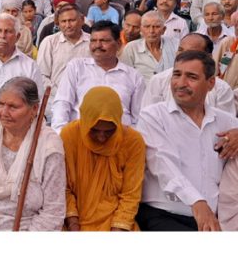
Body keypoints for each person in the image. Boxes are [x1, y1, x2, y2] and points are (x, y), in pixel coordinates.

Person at [135, 51, 237, 231]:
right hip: (163, 214)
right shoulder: (153, 116)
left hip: (216, 219)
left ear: (211, 83)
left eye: (191, 77)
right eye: (177, 74)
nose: (181, 84)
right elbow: (163, 164)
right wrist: (197, 202)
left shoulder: (226, 121)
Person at [0, 77, 66, 231]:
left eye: (13, 107)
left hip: (27, 227)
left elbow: (53, 211)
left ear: (34, 109)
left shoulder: (49, 146)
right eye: (1, 104)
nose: (4, 113)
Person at [61, 87, 145, 231]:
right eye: (94, 130)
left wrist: (117, 229)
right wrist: (74, 225)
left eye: (109, 131)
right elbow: (63, 188)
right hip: (74, 221)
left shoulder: (133, 141)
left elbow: (131, 194)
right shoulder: (69, 135)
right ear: (85, 120)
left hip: (116, 221)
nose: (101, 137)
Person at [52, 21, 146, 133]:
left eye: (104, 41)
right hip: (80, 137)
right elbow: (62, 103)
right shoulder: (77, 67)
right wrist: (61, 134)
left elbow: (139, 118)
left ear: (119, 44)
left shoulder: (134, 77)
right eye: (93, 41)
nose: (97, 45)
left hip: (120, 140)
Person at [142, 33, 236, 116]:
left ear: (208, 57)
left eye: (191, 52)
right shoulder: (158, 81)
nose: (183, 55)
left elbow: (226, 128)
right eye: (180, 50)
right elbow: (148, 118)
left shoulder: (221, 89)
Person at [36, 4, 90, 118]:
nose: (67, 25)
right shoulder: (49, 42)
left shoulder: (92, 42)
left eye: (71, 20)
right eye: (63, 21)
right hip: (55, 101)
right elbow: (42, 75)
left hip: (87, 101)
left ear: (82, 20)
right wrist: (62, 93)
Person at [121, 11, 180, 82]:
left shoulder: (175, 45)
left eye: (157, 27)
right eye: (147, 26)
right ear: (141, 29)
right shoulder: (132, 48)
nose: (151, 31)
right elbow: (125, 77)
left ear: (163, 30)